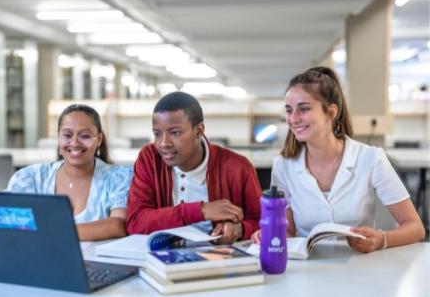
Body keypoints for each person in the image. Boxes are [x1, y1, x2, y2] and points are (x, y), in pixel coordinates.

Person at [252, 67, 425, 253]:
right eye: (289, 110)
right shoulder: (283, 165)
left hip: (360, 266)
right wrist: (270, 233)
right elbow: (289, 231)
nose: (293, 119)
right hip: (308, 269)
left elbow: (415, 227)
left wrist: (381, 239)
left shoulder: (371, 158)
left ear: (331, 112)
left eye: (304, 109)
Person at [0, 104, 132, 249]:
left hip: (98, 270)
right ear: (58, 137)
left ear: (99, 139)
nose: (74, 143)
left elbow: (117, 225)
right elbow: (5, 219)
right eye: (67, 135)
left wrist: (46, 232)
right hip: (38, 266)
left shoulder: (118, 177)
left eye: (85, 136)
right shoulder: (30, 177)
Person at [126, 91, 261, 244]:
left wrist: (240, 230)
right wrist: (201, 210)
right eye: (157, 134)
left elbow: (263, 222)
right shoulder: (149, 158)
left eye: (175, 133)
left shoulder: (238, 167)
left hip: (218, 260)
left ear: (199, 130)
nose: (163, 143)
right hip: (165, 260)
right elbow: (135, 223)